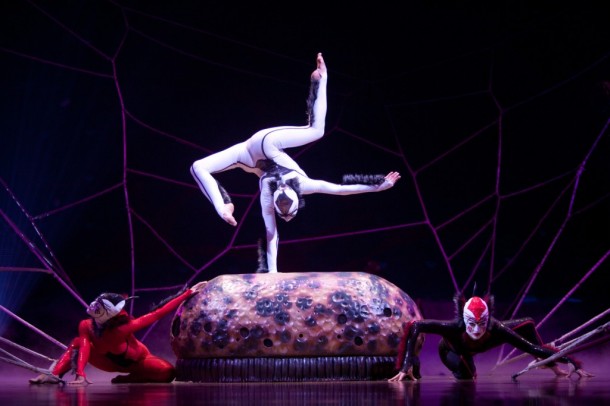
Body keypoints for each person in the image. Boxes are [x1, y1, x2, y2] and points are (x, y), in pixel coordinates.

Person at [191, 53, 401, 273]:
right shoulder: (296, 187)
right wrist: (378, 186)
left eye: (279, 196)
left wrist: (273, 273)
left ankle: (223, 206)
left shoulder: (273, 194)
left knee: (198, 167)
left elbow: (272, 233)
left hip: (254, 152)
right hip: (258, 150)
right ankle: (321, 79)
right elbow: (340, 190)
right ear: (295, 197)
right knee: (315, 131)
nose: (281, 189)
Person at [28, 281, 207, 385]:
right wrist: (81, 374)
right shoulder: (86, 326)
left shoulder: (124, 328)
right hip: (108, 363)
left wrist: (188, 292)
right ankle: (54, 375)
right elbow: (83, 348)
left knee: (167, 372)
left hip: (139, 363)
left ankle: (132, 378)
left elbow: (157, 313)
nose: (124, 311)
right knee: (77, 342)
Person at [388, 293, 591, 381]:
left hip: (481, 342)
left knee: (527, 324)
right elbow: (416, 326)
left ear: (487, 321)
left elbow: (532, 347)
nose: (477, 330)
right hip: (453, 351)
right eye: (472, 324)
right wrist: (406, 366)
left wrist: (571, 362)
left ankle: (548, 365)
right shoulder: (453, 329)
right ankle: (459, 371)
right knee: (468, 376)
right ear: (464, 321)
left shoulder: (497, 330)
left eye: (481, 324)